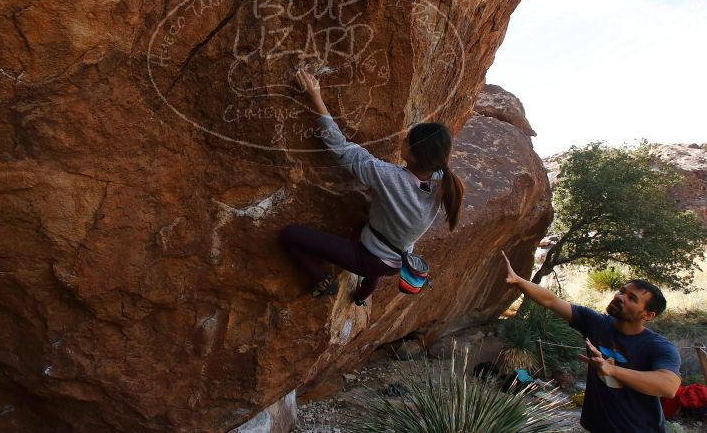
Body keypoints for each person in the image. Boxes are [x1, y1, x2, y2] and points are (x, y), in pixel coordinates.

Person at [280, 67, 465, 305]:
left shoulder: (389, 177)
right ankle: (359, 298)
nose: (403, 140)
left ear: (415, 156)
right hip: (397, 260)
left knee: (290, 235)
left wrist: (315, 96)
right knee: (374, 272)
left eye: (407, 140)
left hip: (369, 257)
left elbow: (341, 148)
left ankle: (324, 281)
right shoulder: (443, 183)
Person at [500, 252, 681, 432]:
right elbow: (551, 300)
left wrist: (611, 369)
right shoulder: (596, 323)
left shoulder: (658, 346)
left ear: (647, 315)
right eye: (622, 291)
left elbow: (669, 386)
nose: (620, 297)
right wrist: (518, 281)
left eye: (632, 298)